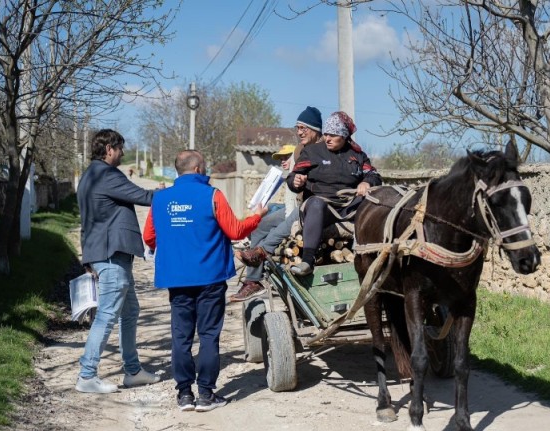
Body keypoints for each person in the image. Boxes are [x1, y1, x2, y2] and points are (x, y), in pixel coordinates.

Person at [143, 150, 267, 411]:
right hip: (210, 277)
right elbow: (235, 230)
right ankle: (206, 395)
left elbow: (150, 238)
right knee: (209, 334)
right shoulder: (212, 195)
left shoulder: (160, 199)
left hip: (177, 279)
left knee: (181, 336)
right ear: (199, 169)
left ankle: (184, 394)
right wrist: (257, 216)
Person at [75, 129, 162, 393]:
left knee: (130, 311)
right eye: (120, 148)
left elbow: (89, 220)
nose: (123, 153)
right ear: (109, 149)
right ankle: (87, 375)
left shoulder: (89, 175)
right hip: (112, 256)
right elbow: (144, 197)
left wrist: (87, 256)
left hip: (108, 254)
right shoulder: (106, 174)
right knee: (107, 315)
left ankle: (132, 370)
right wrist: (173, 194)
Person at [230, 106, 323, 302]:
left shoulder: (325, 149)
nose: (299, 132)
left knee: (283, 223)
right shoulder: (299, 150)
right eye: (297, 128)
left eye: (303, 128)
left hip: (313, 206)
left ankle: (261, 252)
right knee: (262, 223)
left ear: (315, 129)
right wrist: (293, 175)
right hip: (296, 202)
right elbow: (292, 183)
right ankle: (254, 281)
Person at [286, 111, 382, 276]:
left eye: (333, 135)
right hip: (320, 207)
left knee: (374, 203)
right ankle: (307, 261)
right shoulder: (312, 152)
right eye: (326, 134)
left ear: (344, 136)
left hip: (348, 206)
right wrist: (296, 181)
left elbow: (374, 175)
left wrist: (367, 182)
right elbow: (293, 175)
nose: (328, 138)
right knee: (317, 203)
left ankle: (370, 256)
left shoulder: (357, 155)